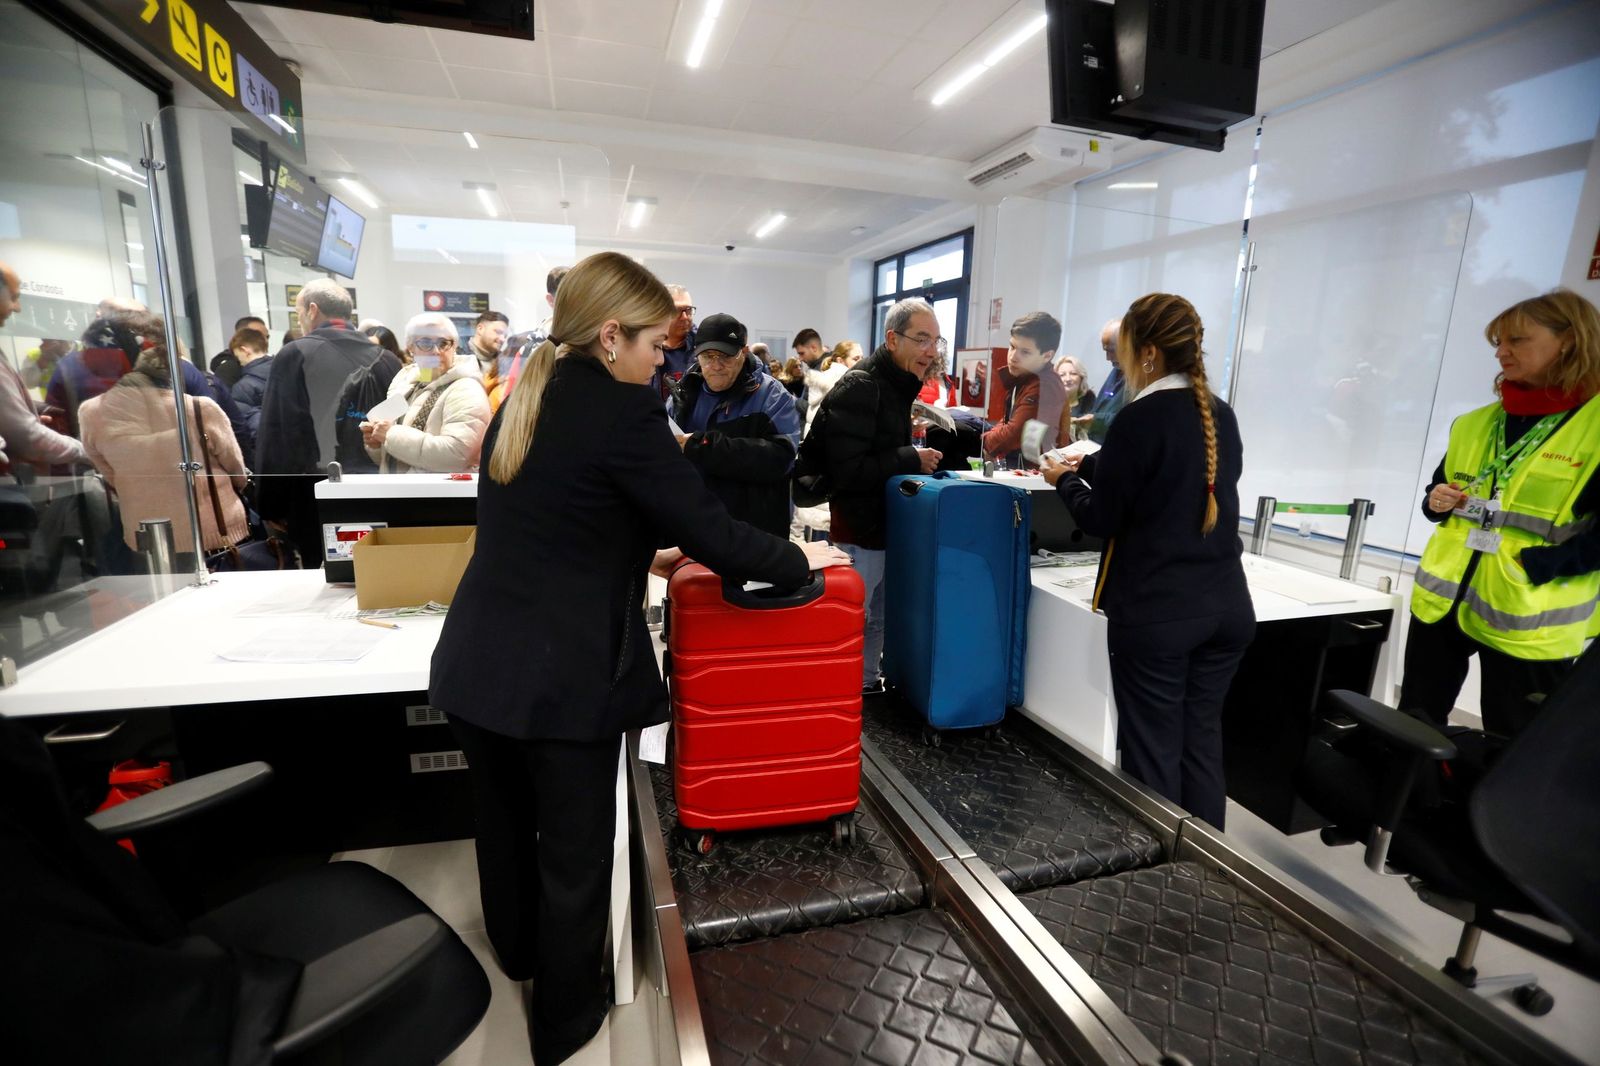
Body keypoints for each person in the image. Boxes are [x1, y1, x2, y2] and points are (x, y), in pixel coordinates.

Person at [428, 252, 848, 1064]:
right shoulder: (624, 411)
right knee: (575, 857)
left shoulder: (531, 393)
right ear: (612, 334)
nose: (670, 357)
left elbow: (557, 515)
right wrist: (806, 561)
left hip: (479, 662)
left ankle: (516, 961)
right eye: (659, 341)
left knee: (505, 831)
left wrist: (631, 552)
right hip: (563, 675)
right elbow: (713, 532)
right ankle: (566, 1022)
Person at [1041, 293, 1252, 829]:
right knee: (1201, 744)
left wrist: (1065, 478)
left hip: (1160, 613)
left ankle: (1159, 873)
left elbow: (1103, 516)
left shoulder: (1140, 417)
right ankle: (1208, 872)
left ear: (1150, 353)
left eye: (1126, 348)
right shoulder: (1218, 415)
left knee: (1153, 753)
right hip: (1227, 607)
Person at [1404, 289, 1600, 740]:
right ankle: (1409, 808)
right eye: (1498, 342)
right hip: (1443, 602)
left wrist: (1537, 566)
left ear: (1568, 340)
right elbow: (1440, 492)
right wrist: (1437, 501)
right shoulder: (1476, 422)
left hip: (1530, 614)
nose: (1502, 352)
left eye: (1517, 340)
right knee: (1411, 725)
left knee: (1512, 745)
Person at [818, 298, 944, 692]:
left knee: (877, 617)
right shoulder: (863, 385)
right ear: (892, 338)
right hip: (860, 527)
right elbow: (847, 470)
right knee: (855, 617)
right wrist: (911, 457)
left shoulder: (896, 384)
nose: (930, 351)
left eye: (936, 341)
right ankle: (843, 694)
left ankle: (866, 687)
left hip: (883, 526)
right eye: (922, 339)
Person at [79, 340, 249, 568]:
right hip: (210, 529)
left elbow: (108, 471)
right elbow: (234, 465)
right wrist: (242, 483)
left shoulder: (91, 413)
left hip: (144, 530)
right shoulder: (199, 409)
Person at [255, 279, 380, 565]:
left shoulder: (296, 354)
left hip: (314, 493)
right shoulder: (384, 358)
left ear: (312, 310)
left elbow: (279, 432)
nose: (299, 320)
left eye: (298, 313)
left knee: (326, 579)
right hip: (377, 488)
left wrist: (271, 502)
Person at [670, 312, 801, 537]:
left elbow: (782, 459)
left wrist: (703, 446)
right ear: (696, 356)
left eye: (726, 356)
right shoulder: (682, 396)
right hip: (697, 525)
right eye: (708, 356)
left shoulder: (773, 396)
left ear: (744, 353)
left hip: (755, 530)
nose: (717, 365)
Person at [362, 314, 490, 474]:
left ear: (454, 346)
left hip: (440, 495)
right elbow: (399, 458)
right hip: (403, 492)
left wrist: (390, 435)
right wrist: (377, 444)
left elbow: (457, 456)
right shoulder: (404, 382)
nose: (436, 351)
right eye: (425, 343)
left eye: (444, 343)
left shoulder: (466, 388)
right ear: (410, 348)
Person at [0, 262, 90, 470]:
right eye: (13, 297)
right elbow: (28, 438)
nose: (17, 308)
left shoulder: (78, 352)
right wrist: (90, 453)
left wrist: (23, 416)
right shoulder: (37, 354)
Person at [982, 311, 1065, 464]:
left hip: (1035, 477)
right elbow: (1008, 422)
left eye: (1025, 352)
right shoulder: (1026, 378)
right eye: (1012, 346)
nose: (1013, 356)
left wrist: (984, 441)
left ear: (1047, 356)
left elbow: (1013, 434)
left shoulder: (1044, 385)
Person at [223, 327, 272, 446]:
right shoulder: (287, 371)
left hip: (267, 449)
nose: (239, 362)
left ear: (244, 350)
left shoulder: (244, 387)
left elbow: (249, 425)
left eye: (238, 356)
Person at [1084, 317, 1127, 443]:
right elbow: (1100, 407)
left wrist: (1095, 421)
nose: (1108, 358)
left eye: (1111, 351)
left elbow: (1133, 421)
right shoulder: (1116, 370)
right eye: (1105, 350)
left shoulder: (1141, 377)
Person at [653, 285, 696, 400]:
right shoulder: (644, 346)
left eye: (689, 310)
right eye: (677, 310)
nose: (685, 317)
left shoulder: (702, 348)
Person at [210, 315, 266, 388]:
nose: (264, 340)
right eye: (256, 336)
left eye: (267, 337)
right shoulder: (228, 369)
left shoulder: (272, 363)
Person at [1056, 355, 1096, 443]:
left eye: (1073, 374)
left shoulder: (1090, 401)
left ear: (1081, 377)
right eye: (1062, 375)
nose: (1067, 379)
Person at [468, 310, 509, 380]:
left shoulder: (506, 361)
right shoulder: (458, 358)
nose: (503, 339)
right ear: (480, 329)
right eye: (498, 332)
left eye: (505, 335)